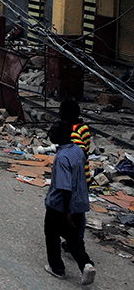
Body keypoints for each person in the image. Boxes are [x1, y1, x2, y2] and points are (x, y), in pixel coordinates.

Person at [43, 121, 96, 285]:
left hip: (60, 205)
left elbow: (64, 187)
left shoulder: (62, 158)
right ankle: (86, 264)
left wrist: (67, 212)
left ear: (63, 135)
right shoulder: (77, 151)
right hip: (79, 203)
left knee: (51, 234)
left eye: (53, 132)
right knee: (73, 238)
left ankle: (57, 268)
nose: (49, 134)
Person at [60, 98, 92, 247]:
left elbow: (76, 157)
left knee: (74, 211)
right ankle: (75, 239)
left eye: (61, 112)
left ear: (69, 114)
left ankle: (76, 241)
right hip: (84, 176)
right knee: (78, 210)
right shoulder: (83, 128)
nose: (59, 114)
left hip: (76, 179)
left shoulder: (73, 134)